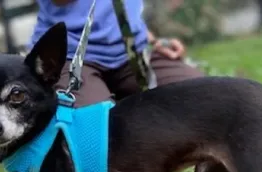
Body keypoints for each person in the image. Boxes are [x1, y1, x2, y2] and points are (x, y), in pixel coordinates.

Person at [29, 0, 203, 106]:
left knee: (207, 95)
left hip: (131, 50)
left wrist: (151, 39)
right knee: (96, 131)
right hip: (72, 54)